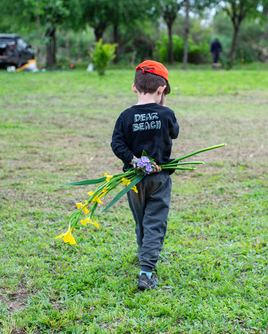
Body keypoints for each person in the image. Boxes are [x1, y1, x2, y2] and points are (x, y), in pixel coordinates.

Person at [111, 60, 179, 291]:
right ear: (161, 90)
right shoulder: (166, 113)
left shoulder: (125, 116)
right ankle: (147, 272)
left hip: (134, 179)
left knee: (141, 219)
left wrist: (135, 161)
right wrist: (163, 106)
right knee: (155, 223)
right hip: (158, 180)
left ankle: (144, 256)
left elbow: (117, 144)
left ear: (134, 88)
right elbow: (175, 132)